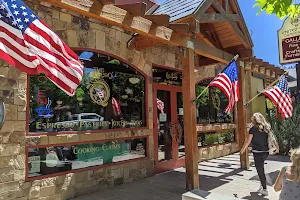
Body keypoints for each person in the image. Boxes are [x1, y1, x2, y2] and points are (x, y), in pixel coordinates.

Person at [240, 113, 275, 196]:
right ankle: (262, 186)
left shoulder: (253, 129)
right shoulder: (266, 127)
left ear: (254, 120)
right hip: (265, 152)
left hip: (257, 153)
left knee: (260, 171)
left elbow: (247, 141)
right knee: (261, 169)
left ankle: (265, 189)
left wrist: (243, 149)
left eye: (252, 119)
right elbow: (272, 138)